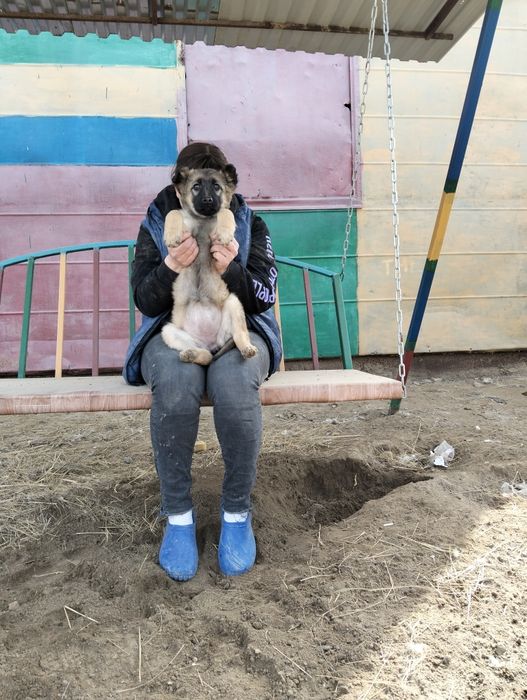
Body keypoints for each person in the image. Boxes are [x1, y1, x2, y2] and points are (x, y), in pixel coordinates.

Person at [123, 142, 282, 581]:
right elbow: (144, 299)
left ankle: (236, 513)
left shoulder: (249, 224)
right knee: (175, 384)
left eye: (218, 187)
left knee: (234, 385)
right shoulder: (157, 222)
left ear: (229, 189)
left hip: (235, 329)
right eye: (196, 186)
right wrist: (170, 266)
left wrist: (232, 270)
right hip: (176, 328)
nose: (208, 196)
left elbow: (265, 295)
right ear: (179, 188)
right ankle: (178, 517)